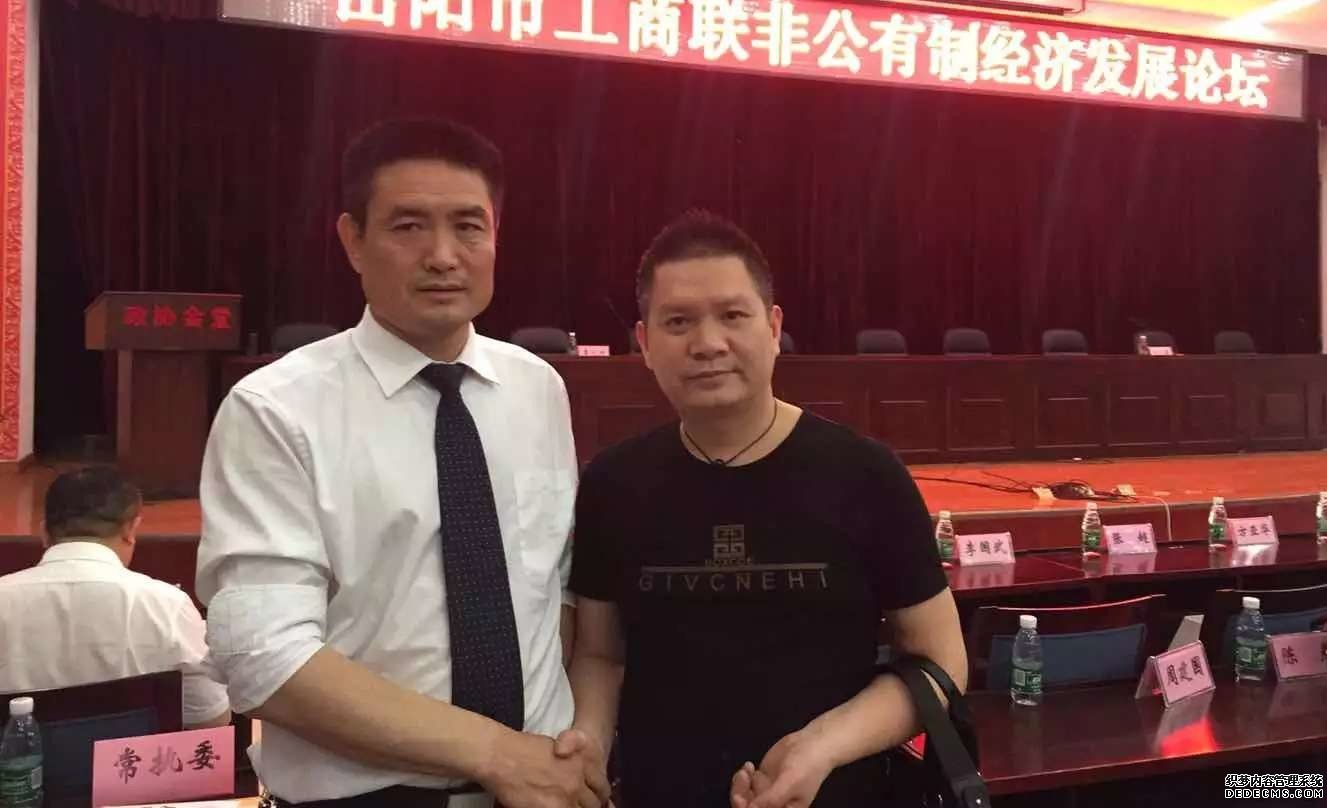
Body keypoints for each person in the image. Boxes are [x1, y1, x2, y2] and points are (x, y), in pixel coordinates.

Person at [197, 118, 609, 808]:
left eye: (469, 227)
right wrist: (497, 753)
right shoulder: (275, 409)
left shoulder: (538, 388)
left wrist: (564, 746)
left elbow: (551, 585)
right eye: (409, 226)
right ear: (353, 241)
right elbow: (264, 658)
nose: (443, 256)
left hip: (542, 787)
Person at [564, 210, 967, 808]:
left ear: (774, 327)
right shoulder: (612, 483)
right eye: (678, 322)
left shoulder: (866, 475)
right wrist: (589, 747)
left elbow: (942, 663)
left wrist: (821, 746)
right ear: (644, 344)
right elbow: (600, 654)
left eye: (732, 315)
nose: (708, 343)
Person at [0, 466, 230, 728]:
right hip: (138, 755)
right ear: (131, 530)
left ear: (44, 533)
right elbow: (211, 721)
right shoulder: (167, 606)